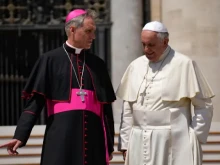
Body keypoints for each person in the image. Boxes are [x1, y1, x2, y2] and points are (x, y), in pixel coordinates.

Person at [0, 9, 116, 165]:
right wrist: (20, 135)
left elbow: (106, 110)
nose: (93, 37)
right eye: (89, 31)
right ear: (72, 29)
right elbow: (34, 104)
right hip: (61, 140)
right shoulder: (49, 60)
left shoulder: (98, 64)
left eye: (94, 31)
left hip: (93, 142)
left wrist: (108, 145)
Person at [116, 21, 214, 165]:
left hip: (174, 141)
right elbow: (128, 108)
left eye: (151, 45)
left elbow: (204, 105)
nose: (146, 49)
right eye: (143, 44)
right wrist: (125, 143)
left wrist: (195, 136)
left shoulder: (184, 64)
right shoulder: (135, 66)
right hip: (137, 139)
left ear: (165, 41)